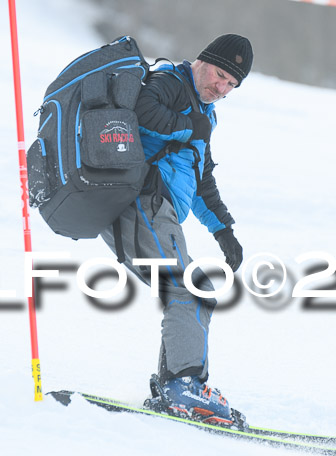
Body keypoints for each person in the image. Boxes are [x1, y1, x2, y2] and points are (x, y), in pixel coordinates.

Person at [100, 34, 253, 425]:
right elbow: (143, 110)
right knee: (183, 288)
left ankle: (177, 383)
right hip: (142, 199)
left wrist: (224, 231)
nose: (221, 88)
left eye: (230, 86)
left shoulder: (204, 114)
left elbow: (202, 180)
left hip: (160, 209)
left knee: (195, 293)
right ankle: (183, 388)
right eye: (219, 75)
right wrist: (190, 125)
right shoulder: (171, 80)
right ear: (202, 60)